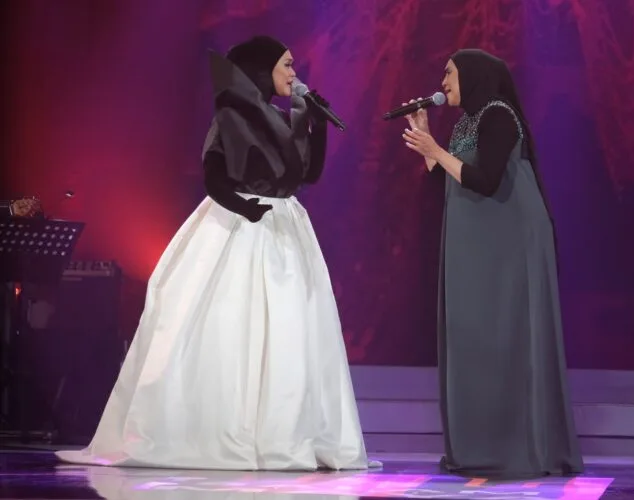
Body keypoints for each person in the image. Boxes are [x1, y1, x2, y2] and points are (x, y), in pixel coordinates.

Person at [56, 35, 371, 471]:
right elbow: (215, 177)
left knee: (289, 329)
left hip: (285, 228)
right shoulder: (230, 120)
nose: (293, 73)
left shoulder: (288, 120)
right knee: (231, 323)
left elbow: (309, 175)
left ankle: (283, 432)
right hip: (240, 227)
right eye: (286, 65)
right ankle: (219, 429)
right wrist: (244, 208)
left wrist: (316, 127)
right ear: (261, 71)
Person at [401, 49, 583, 479]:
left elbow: (486, 181)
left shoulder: (498, 114)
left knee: (507, 334)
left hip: (508, 240)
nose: (443, 82)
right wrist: (427, 142)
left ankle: (519, 448)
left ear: (473, 74)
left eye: (449, 73)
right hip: (479, 240)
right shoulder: (466, 121)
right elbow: (447, 180)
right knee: (475, 336)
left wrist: (436, 149)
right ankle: (479, 445)